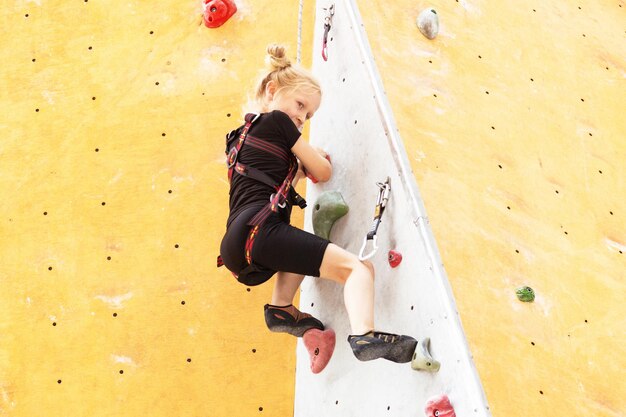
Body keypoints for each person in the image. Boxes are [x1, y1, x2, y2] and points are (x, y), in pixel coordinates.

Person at [218, 44, 416, 363]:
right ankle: (365, 336)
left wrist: (296, 170)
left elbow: (269, 182)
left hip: (238, 244)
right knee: (358, 269)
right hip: (261, 233)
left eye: (309, 115)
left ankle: (281, 309)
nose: (301, 117)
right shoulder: (278, 123)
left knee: (301, 246)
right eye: (300, 104)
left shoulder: (239, 136)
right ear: (272, 90)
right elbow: (323, 172)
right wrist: (314, 158)